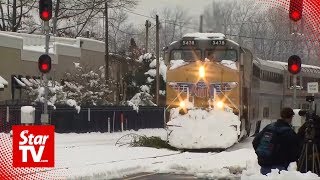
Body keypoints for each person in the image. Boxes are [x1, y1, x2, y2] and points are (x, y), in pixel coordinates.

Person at [252, 107, 302, 175]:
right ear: (291, 118)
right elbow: (296, 150)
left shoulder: (269, 127)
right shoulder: (289, 132)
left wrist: (261, 155)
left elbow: (255, 141)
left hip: (264, 165)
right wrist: (289, 159)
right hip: (279, 166)